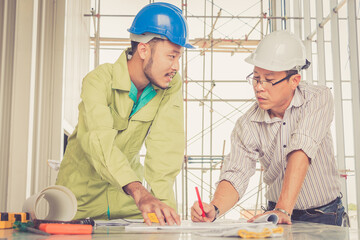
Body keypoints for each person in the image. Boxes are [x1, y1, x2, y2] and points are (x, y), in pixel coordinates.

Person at [191, 30, 349, 226]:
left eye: (269, 79)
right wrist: (214, 208)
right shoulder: (247, 124)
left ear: (294, 81)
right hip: (275, 213)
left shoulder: (318, 99)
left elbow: (301, 148)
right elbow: (236, 173)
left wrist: (284, 209)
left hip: (324, 214)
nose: (259, 87)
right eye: (256, 78)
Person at [56, 2, 194, 226]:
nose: (176, 66)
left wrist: (166, 214)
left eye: (179, 57)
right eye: (171, 56)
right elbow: (100, 142)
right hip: (79, 203)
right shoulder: (98, 81)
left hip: (127, 204)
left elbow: (165, 148)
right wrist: (140, 192)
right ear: (143, 49)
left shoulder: (170, 84)